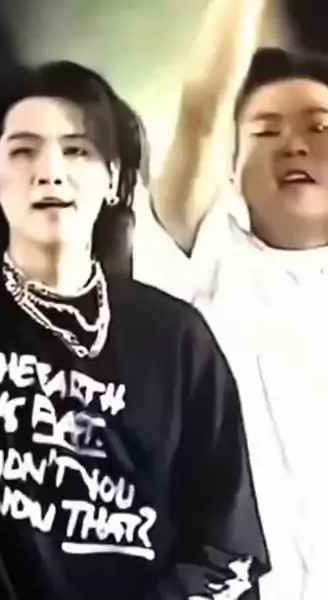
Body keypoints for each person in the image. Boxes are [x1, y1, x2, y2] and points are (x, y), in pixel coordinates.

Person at [0, 60, 268, 600]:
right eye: (23, 151)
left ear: (113, 179)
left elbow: (228, 553)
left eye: (77, 151)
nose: (50, 171)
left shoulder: (177, 339)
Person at [133, 0, 327, 598]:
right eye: (265, 132)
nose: (293, 144)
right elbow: (200, 116)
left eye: (320, 127)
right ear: (233, 169)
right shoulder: (205, 257)